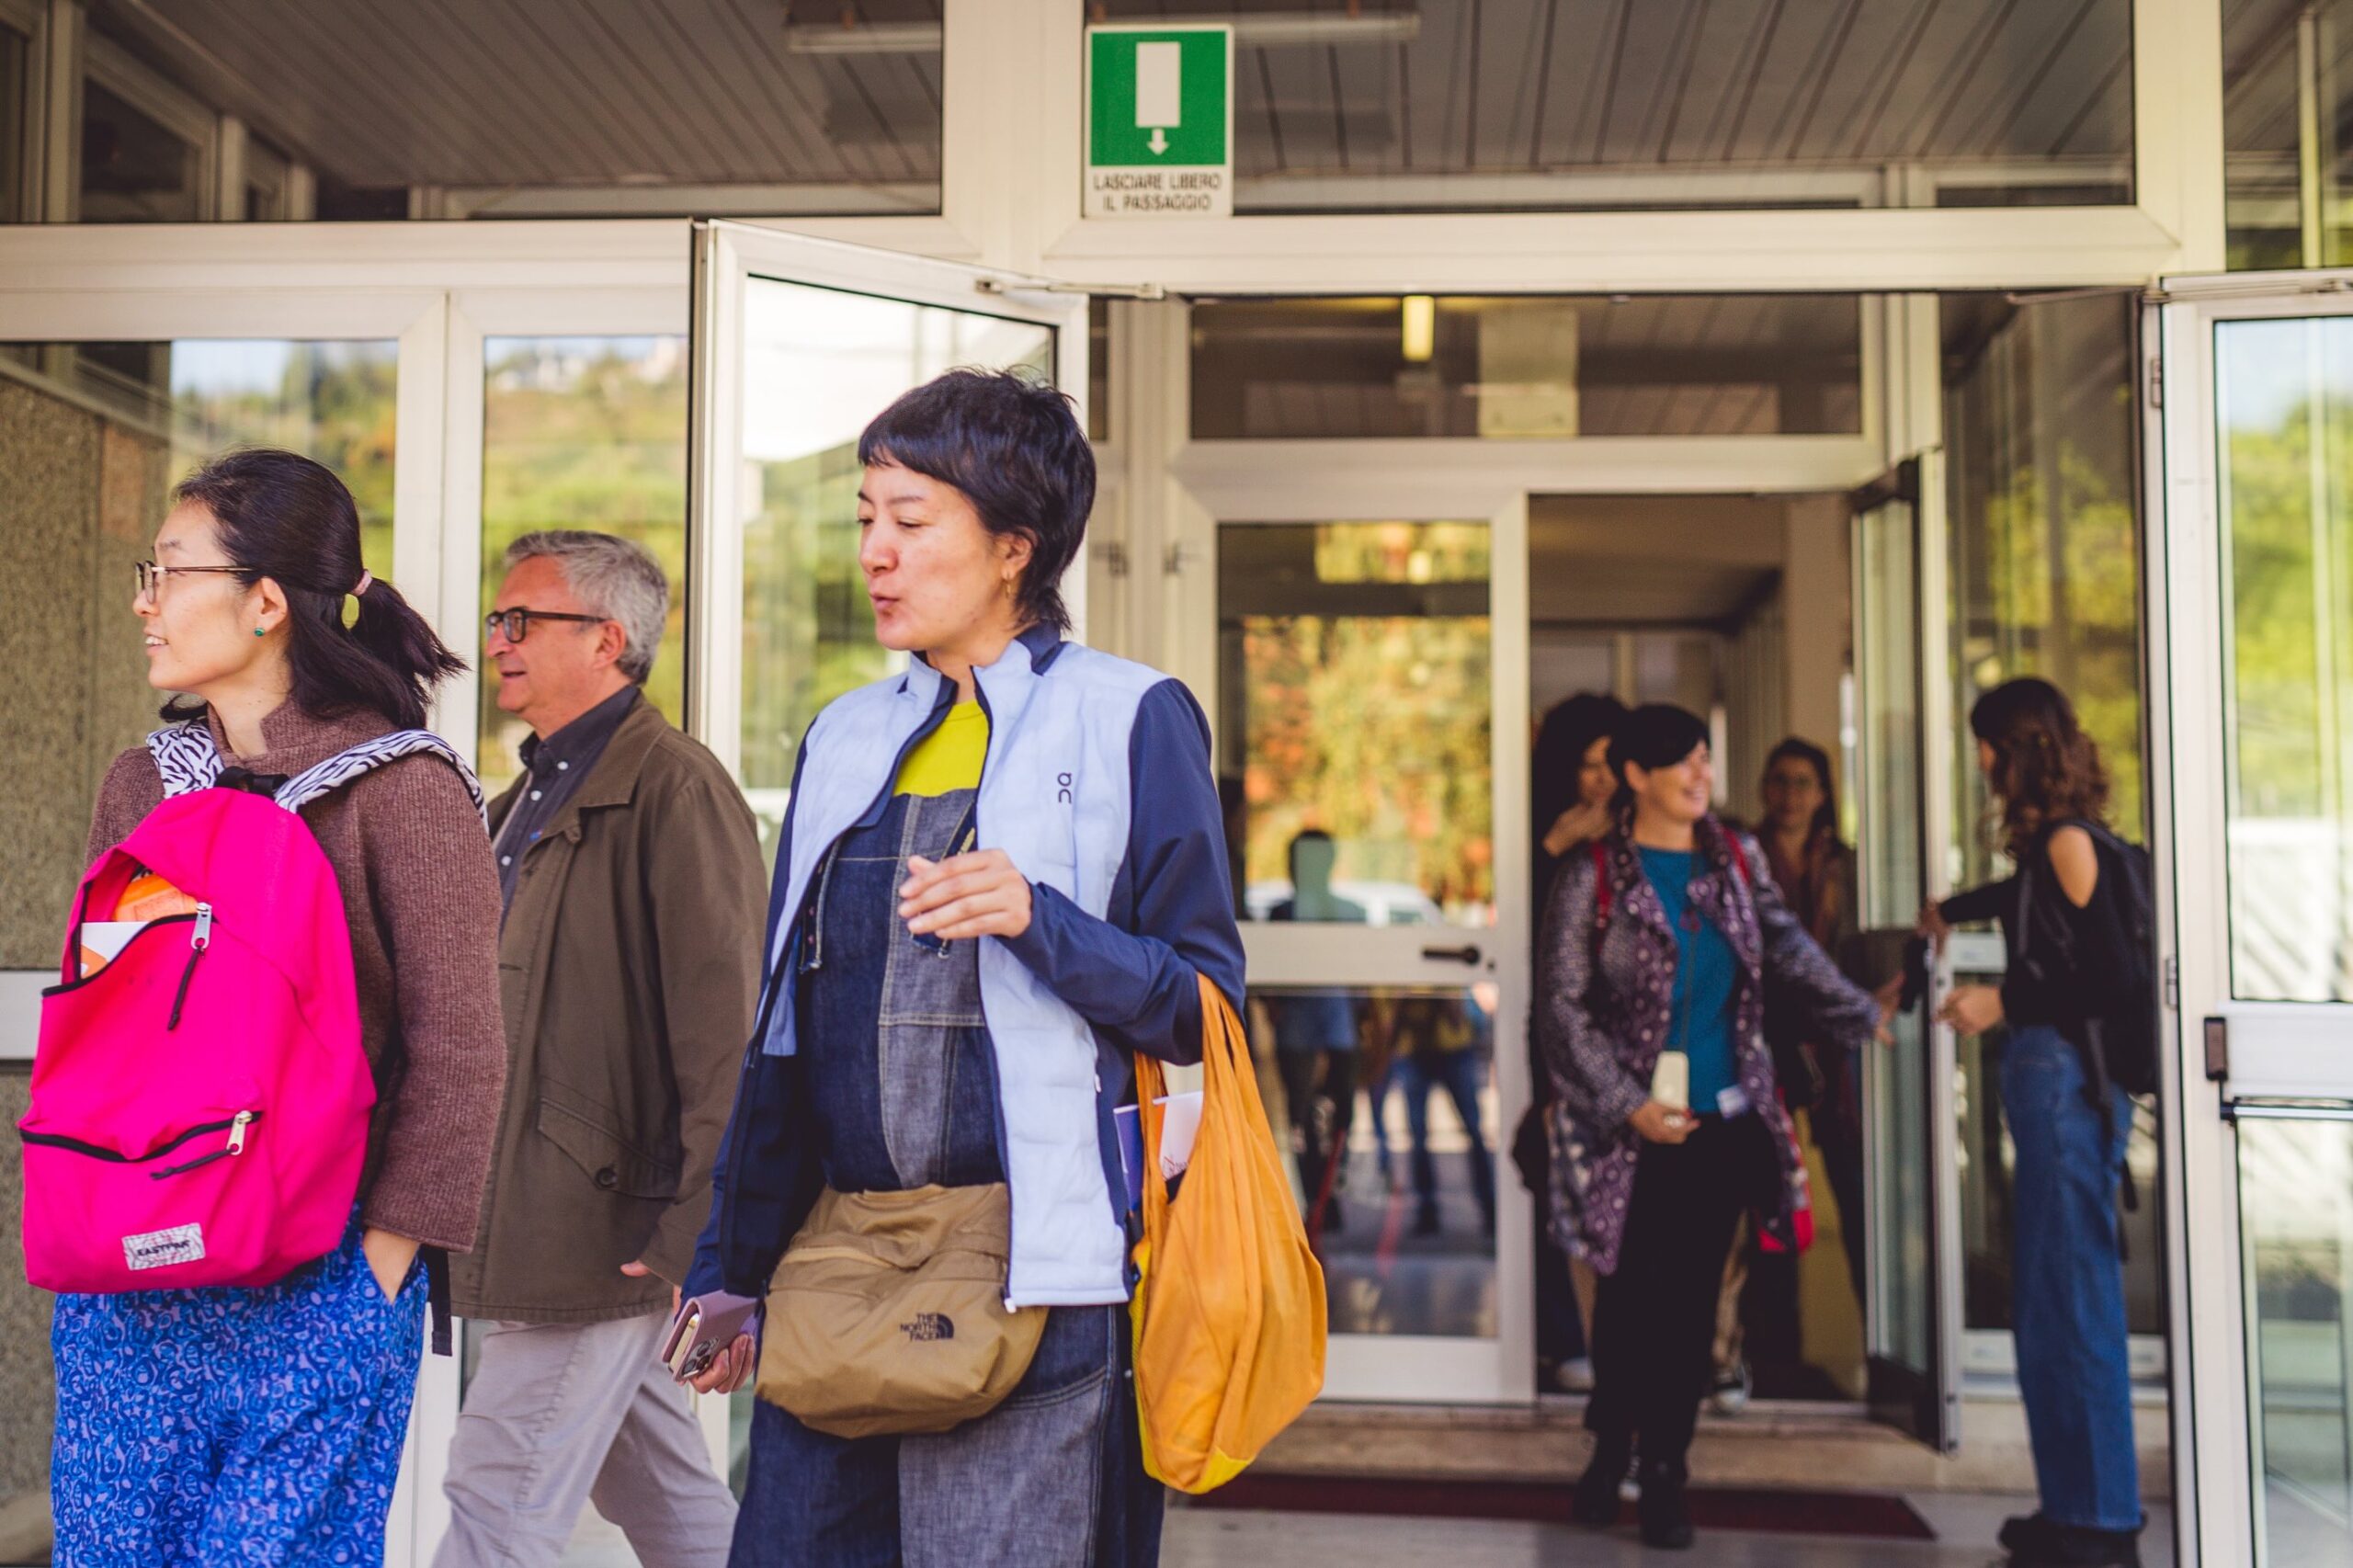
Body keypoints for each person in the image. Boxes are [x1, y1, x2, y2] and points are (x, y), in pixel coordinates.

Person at [681, 369, 1245, 1566]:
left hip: (1045, 1278)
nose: (875, 552)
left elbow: (1206, 1005)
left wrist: (1039, 917)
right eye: (864, 518)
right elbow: (781, 1031)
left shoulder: (1131, 717)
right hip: (838, 1266)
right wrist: (727, 1270)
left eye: (912, 519)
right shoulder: (841, 734)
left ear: (1012, 549)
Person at [57, 449, 506, 1562]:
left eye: (168, 571)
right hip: (136, 1275)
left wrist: (382, 1266)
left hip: (323, 1268)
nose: (142, 600)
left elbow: (462, 1050)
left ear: (265, 602)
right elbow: (108, 1021)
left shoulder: (406, 787)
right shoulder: (141, 780)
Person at [436, 533, 766, 1566]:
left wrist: (698, 1231)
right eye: (498, 620)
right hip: (547, 1211)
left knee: (496, 1494)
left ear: (609, 639)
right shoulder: (523, 798)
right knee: (669, 1501)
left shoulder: (674, 786)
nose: (499, 641)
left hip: (607, 1228)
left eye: (523, 620)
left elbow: (728, 1027)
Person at [1540, 704, 1882, 1550]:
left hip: (1722, 1118)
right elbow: (1561, 1009)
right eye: (1683, 763)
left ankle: (1664, 1471)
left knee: (1690, 1305)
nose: (1702, 775)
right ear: (1637, 777)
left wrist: (1860, 1010)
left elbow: (1786, 943)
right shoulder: (1594, 875)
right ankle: (1609, 1444)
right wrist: (1627, 1103)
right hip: (1627, 1130)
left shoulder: (1733, 857)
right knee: (1626, 1300)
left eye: (1705, 759)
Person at [1919, 678, 2143, 1568]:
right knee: (2048, 1299)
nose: (1978, 762)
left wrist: (2001, 996)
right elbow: (2033, 905)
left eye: (1984, 745)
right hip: (2051, 1081)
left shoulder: (2064, 839)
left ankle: (2098, 1523)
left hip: (2063, 1081)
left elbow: (2114, 977)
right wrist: (1950, 913)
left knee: (2073, 1298)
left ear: (2013, 748)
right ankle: (2072, 1508)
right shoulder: (2058, 843)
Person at [1710, 736, 1864, 1412]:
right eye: (1778, 780)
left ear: (1825, 792)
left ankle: (1873, 1356)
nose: (1791, 793)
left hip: (1833, 1052)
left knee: (1857, 1198)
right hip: (1763, 1045)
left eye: (1804, 781)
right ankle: (1772, 1354)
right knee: (1765, 1199)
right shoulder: (1740, 854)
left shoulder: (1849, 866)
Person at [1522, 695, 1625, 1391]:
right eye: (1586, 765)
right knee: (1553, 1169)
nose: (1600, 780)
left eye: (1612, 764)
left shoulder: (1654, 830)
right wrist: (1553, 851)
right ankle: (1564, 1334)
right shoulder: (1539, 832)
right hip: (1555, 1028)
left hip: (1631, 1032)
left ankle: (1622, 1337)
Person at [1269, 830, 1366, 1237]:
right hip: (1298, 1030)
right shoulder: (1281, 914)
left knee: (1342, 1115)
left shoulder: (1349, 914)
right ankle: (1314, 1201)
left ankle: (1329, 1194)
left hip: (1338, 1026)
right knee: (1303, 1119)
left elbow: (1362, 981)